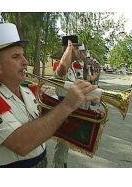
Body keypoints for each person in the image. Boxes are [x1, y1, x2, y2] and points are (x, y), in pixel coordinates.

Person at [0, 23, 99, 168]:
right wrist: (67, 106)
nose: (25, 62)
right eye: (16, 57)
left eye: (23, 55)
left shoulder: (28, 90)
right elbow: (22, 144)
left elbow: (45, 123)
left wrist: (81, 112)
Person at [52, 35, 89, 168]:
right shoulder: (61, 64)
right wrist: (69, 49)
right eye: (77, 48)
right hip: (63, 108)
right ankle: (58, 167)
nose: (80, 52)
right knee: (62, 144)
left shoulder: (73, 67)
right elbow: (61, 69)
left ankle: (62, 165)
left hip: (71, 107)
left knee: (66, 144)